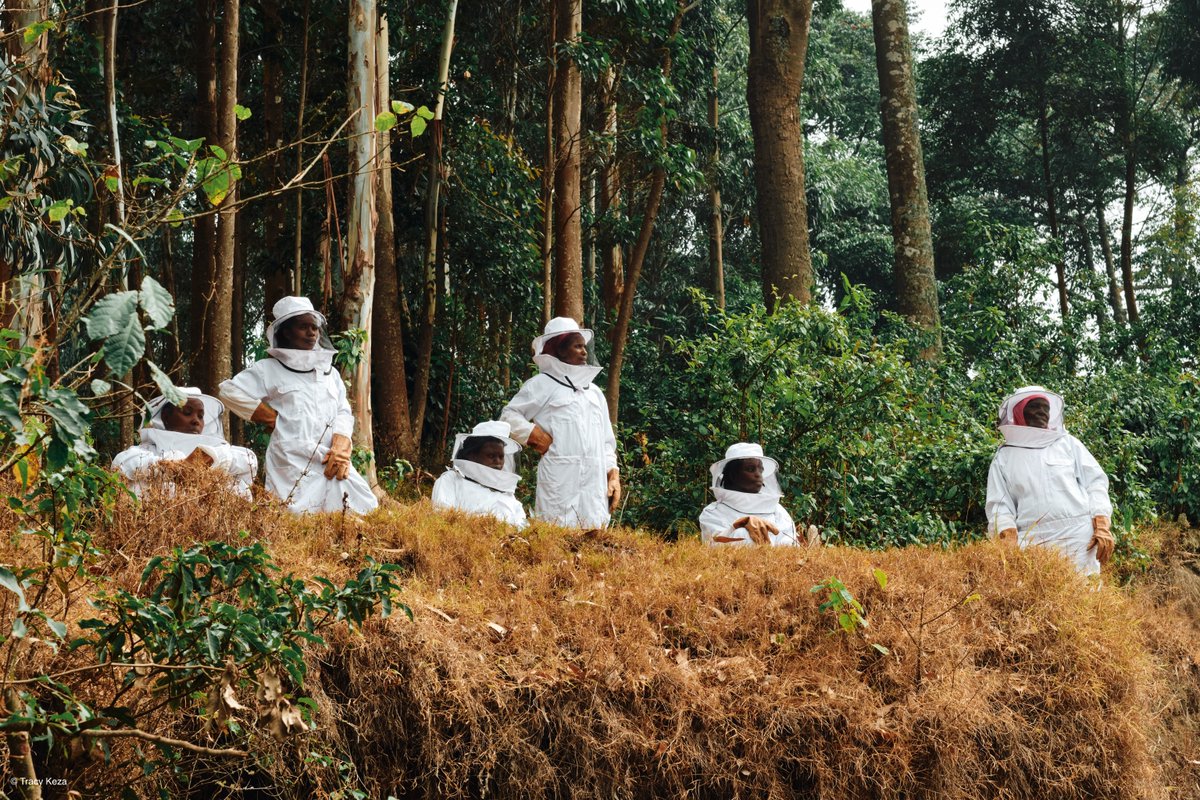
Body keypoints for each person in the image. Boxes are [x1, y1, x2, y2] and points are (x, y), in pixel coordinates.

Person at [218, 296, 378, 515]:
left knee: (363, 507)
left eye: (315, 327)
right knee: (294, 517)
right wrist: (268, 416)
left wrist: (342, 442)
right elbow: (229, 391)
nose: (311, 333)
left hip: (330, 456)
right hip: (291, 455)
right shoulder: (268, 369)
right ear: (285, 331)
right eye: (303, 327)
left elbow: (342, 409)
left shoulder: (330, 374)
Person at [500, 317, 619, 529]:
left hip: (594, 486)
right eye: (577, 346)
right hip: (559, 481)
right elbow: (509, 416)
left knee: (594, 540)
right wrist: (534, 435)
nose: (584, 351)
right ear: (561, 350)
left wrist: (613, 474)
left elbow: (606, 441)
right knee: (555, 537)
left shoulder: (594, 393)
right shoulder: (541, 384)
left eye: (584, 346)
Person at [986, 385, 1114, 575]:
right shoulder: (1004, 457)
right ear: (1019, 412)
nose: (1042, 412)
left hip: (1079, 539)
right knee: (1041, 600)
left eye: (1045, 408)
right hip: (1033, 543)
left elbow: (1095, 482)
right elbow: (999, 506)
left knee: (1087, 598)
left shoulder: (1068, 443)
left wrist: (1102, 523)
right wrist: (1008, 540)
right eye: (1035, 407)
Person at [112, 388, 257, 499]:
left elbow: (249, 460)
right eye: (187, 412)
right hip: (156, 530)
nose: (196, 421)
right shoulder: (147, 451)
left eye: (201, 416)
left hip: (214, 532)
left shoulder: (219, 449)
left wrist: (213, 457)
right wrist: (176, 466)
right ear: (166, 416)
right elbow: (121, 464)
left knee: (234, 483)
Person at [700, 442, 817, 547]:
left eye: (760, 469)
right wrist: (742, 524)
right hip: (739, 569)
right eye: (750, 469)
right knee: (743, 534)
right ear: (733, 475)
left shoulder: (777, 510)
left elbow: (790, 544)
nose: (758, 475)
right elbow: (714, 544)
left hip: (780, 568)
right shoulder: (713, 513)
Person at [431, 420, 528, 528]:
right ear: (471, 455)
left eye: (501, 457)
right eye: (491, 455)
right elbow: (442, 519)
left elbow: (523, 527)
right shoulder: (450, 481)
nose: (498, 461)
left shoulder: (506, 492)